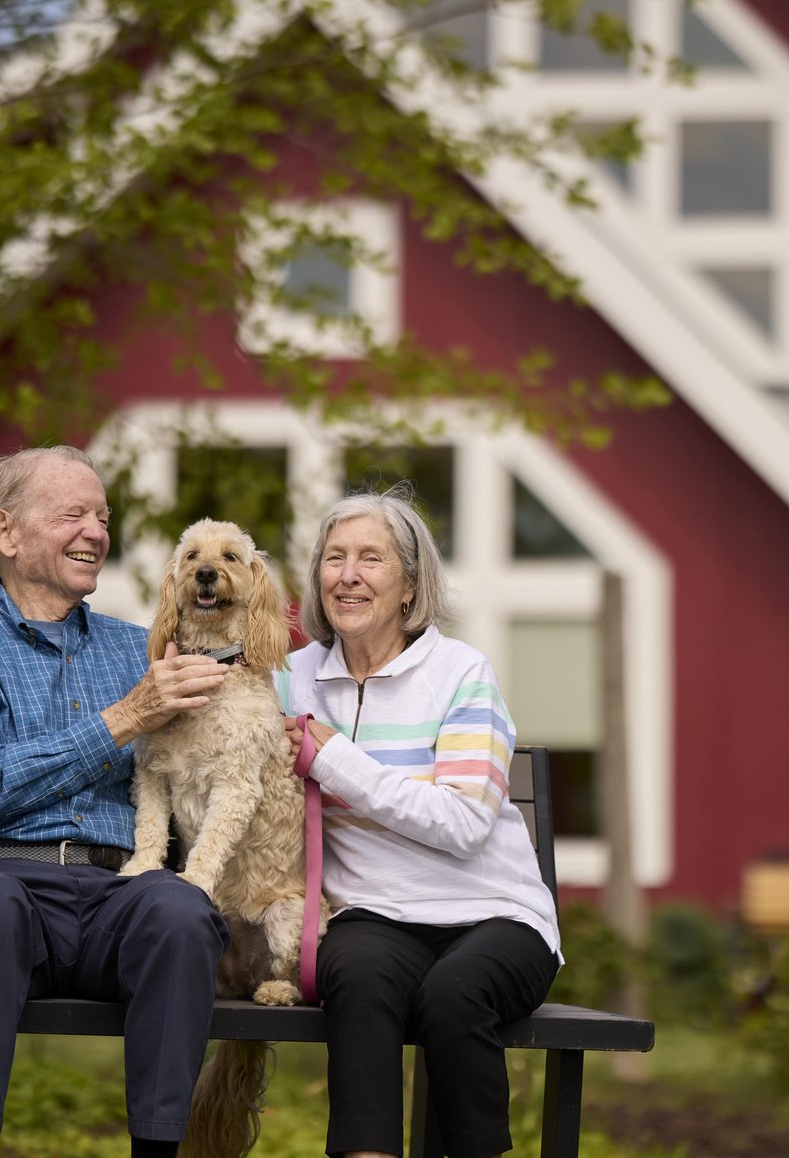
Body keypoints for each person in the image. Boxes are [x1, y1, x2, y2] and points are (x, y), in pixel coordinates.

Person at [0, 445, 232, 1158]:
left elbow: (213, 755)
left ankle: (160, 1151)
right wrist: (124, 718)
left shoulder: (141, 648)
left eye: (103, 516)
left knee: (179, 908)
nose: (96, 531)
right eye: (73, 512)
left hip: (116, 891)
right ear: (7, 532)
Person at [280, 488, 562, 1158]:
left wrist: (333, 758)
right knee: (355, 972)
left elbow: (463, 821)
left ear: (410, 584)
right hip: (373, 914)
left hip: (496, 916)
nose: (347, 574)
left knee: (454, 994)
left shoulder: (460, 672)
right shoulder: (291, 679)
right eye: (334, 557)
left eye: (370, 558)